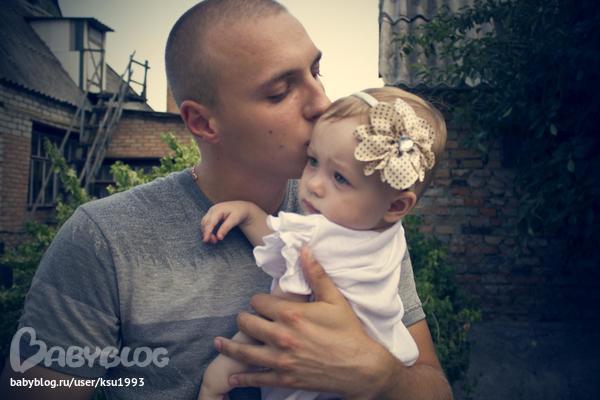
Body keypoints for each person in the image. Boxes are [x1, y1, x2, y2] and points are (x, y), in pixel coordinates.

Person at [0, 1, 452, 399]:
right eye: (280, 91)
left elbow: (434, 388)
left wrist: (381, 377)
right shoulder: (105, 241)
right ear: (203, 123)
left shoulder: (361, 217)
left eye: (316, 71)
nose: (322, 103)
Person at [197, 87, 447, 400]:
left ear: (396, 206)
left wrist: (219, 374)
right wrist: (253, 214)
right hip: (391, 360)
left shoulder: (318, 235)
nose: (314, 184)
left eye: (340, 178)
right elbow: (292, 246)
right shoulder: (388, 233)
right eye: (313, 161)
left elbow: (280, 319)